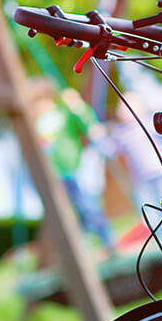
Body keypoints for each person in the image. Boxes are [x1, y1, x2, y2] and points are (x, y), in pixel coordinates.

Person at [32, 86, 118, 257]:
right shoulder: (34, 122)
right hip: (53, 173)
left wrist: (77, 104)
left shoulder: (63, 112)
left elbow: (86, 123)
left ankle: (108, 242)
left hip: (74, 166)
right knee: (67, 213)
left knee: (88, 206)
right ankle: (80, 250)